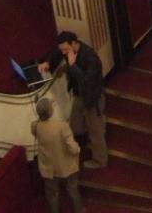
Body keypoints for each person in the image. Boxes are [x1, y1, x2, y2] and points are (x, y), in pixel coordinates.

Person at [39, 31, 107, 169]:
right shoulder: (67, 50)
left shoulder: (91, 58)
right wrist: (48, 62)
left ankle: (100, 160)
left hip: (91, 98)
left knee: (96, 132)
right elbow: (56, 53)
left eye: (66, 49)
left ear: (74, 43)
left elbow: (87, 81)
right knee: (75, 125)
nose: (63, 53)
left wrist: (73, 66)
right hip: (78, 95)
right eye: (62, 50)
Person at [31, 97, 84, 213]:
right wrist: (78, 149)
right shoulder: (62, 126)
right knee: (73, 191)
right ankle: (78, 210)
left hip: (48, 167)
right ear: (50, 111)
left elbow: (37, 127)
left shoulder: (35, 126)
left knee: (52, 195)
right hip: (66, 165)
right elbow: (73, 148)